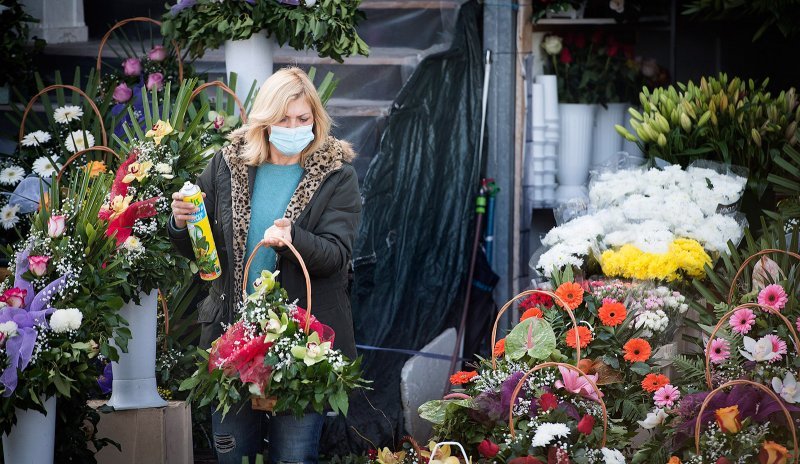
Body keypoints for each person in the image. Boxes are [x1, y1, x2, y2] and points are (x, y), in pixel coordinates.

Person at [168, 67, 361, 464]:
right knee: (233, 455)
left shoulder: (337, 176)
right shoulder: (228, 165)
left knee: (293, 456)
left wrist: (295, 239)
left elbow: (336, 256)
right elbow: (203, 251)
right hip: (231, 340)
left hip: (302, 345)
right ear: (264, 121)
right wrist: (180, 222)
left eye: (303, 119)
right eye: (283, 119)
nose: (294, 127)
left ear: (316, 120)